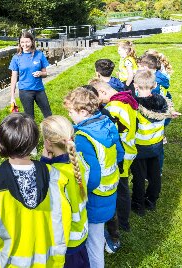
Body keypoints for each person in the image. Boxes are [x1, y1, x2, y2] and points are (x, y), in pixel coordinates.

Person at [0, 112, 71, 267]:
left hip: (8, 260)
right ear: (35, 142)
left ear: (1, 142)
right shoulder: (54, 174)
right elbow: (63, 214)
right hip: (47, 261)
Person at [64, 87, 124, 268]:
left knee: (94, 242)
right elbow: (119, 153)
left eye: (70, 112)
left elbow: (93, 178)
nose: (69, 115)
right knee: (97, 235)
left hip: (95, 198)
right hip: (110, 190)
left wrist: (79, 191)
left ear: (83, 111)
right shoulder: (106, 123)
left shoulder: (83, 138)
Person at [89, 79, 138, 252]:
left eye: (96, 97)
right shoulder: (126, 100)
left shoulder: (111, 109)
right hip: (130, 148)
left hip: (122, 154)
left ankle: (123, 222)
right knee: (123, 188)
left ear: (102, 93)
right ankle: (122, 221)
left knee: (122, 190)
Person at [40, 115, 90, 268]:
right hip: (81, 232)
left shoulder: (53, 173)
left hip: (66, 241)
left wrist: (44, 163)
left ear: (48, 143)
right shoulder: (79, 160)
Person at [130, 70, 179, 216]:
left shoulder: (134, 105)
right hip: (156, 146)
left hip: (139, 147)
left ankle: (138, 204)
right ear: (155, 84)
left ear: (135, 85)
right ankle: (151, 200)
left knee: (139, 177)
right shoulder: (163, 101)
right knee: (154, 175)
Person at [9, 31, 52, 119]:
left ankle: (51, 131)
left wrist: (41, 73)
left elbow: (45, 73)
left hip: (39, 90)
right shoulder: (16, 58)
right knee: (29, 118)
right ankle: (32, 132)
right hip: (25, 92)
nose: (25, 44)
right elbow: (13, 78)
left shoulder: (39, 55)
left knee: (48, 115)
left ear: (32, 41)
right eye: (22, 42)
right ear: (20, 43)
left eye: (27, 41)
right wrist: (12, 97)